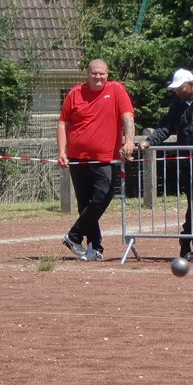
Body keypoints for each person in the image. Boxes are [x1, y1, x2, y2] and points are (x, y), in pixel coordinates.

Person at [138, 68, 193, 263]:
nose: (177, 92)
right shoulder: (178, 105)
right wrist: (149, 141)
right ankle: (186, 239)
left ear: (192, 85)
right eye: (175, 89)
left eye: (180, 88)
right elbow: (166, 126)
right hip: (187, 162)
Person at [57, 59, 136, 262]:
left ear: (107, 74)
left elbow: (127, 116)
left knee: (102, 197)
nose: (98, 77)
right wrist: (62, 151)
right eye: (94, 73)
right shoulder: (75, 93)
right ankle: (95, 247)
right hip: (78, 159)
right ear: (88, 74)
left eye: (102, 73)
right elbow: (63, 122)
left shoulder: (117, 90)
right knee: (86, 204)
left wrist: (129, 141)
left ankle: (74, 236)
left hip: (106, 159)